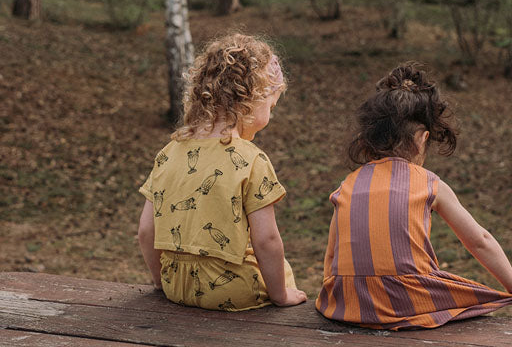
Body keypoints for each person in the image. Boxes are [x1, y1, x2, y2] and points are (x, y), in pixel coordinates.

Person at [316, 62, 512, 330]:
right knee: (479, 298)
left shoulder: (347, 184)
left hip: (348, 302)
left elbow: (331, 258)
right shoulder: (429, 183)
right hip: (405, 300)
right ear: (422, 139)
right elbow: (480, 241)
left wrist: (339, 299)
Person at [138, 33, 307, 311]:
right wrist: (280, 295)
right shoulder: (251, 159)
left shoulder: (169, 152)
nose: (271, 116)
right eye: (271, 106)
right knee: (283, 271)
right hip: (231, 289)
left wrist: (161, 282)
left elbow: (146, 231)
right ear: (251, 99)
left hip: (176, 285)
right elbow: (266, 240)